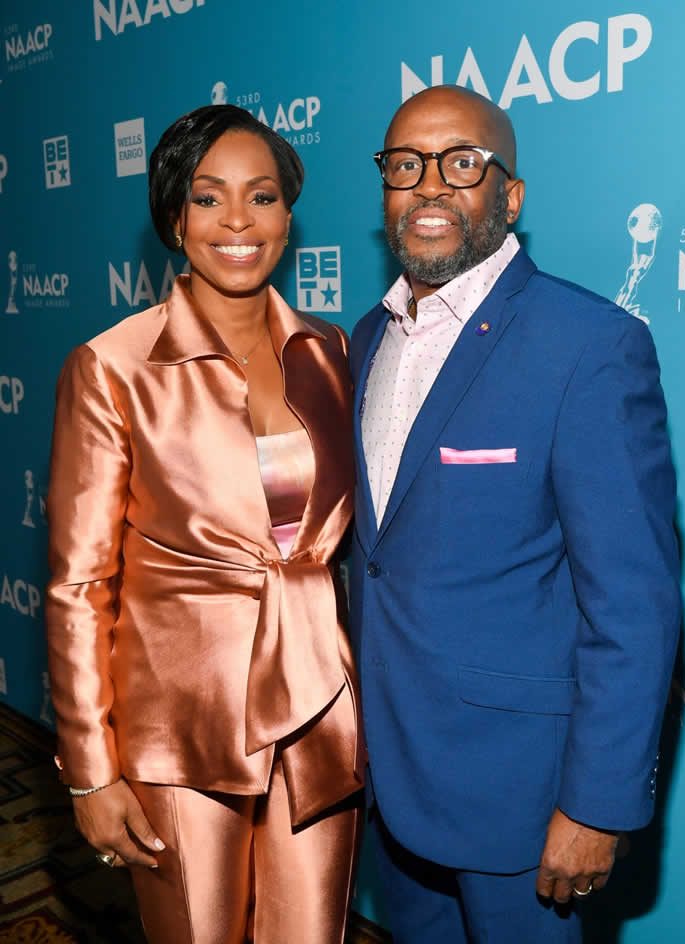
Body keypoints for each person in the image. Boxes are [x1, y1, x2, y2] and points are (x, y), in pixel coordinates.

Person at [349, 85, 680, 944]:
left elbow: (633, 603)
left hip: (522, 805)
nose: (429, 185)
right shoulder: (363, 341)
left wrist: (597, 804)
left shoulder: (589, 344)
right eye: (405, 165)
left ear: (511, 195)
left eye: (462, 163)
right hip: (390, 782)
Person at [45, 104, 364, 944]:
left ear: (289, 216)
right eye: (208, 197)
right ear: (173, 216)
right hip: (180, 729)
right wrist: (89, 772)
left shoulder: (331, 350)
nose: (238, 222)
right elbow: (79, 585)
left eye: (262, 197)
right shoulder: (113, 367)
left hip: (317, 710)